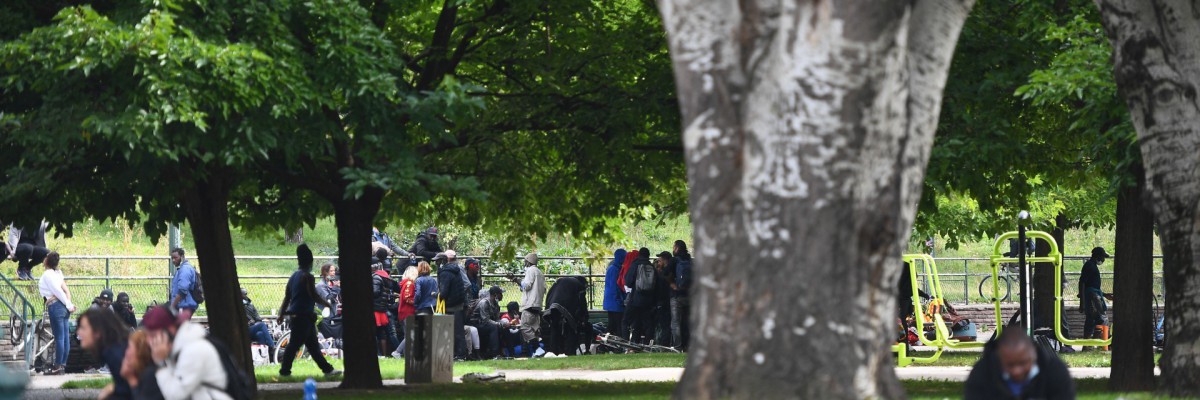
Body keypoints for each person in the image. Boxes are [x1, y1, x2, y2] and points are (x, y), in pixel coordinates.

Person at [277, 244, 341, 378]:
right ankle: (284, 372)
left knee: (312, 346)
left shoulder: (293, 276)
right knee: (294, 345)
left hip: (298, 316)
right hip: (303, 316)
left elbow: (287, 297)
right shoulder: (308, 277)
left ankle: (327, 370)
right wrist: (326, 304)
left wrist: (281, 314)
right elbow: (314, 295)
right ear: (310, 261)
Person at [143, 306, 231, 400]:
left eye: (153, 336)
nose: (149, 342)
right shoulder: (180, 349)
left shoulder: (193, 350)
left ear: (170, 330)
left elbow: (175, 395)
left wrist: (160, 364)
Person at [964, 327, 1074, 399]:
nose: (1016, 371)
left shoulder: (1054, 371)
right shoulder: (982, 373)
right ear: (999, 358)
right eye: (1009, 364)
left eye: (1023, 363)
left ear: (1033, 354)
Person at [78, 308, 132, 399]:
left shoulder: (114, 353)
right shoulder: (114, 348)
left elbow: (131, 390)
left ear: (97, 332)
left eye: (83, 328)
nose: (78, 332)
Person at [38, 251, 74, 375]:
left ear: (47, 261)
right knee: (64, 337)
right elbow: (65, 290)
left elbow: (58, 291)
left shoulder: (48, 274)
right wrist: (67, 302)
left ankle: (58, 365)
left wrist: (68, 304)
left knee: (60, 337)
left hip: (56, 307)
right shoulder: (58, 273)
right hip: (62, 306)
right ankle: (62, 365)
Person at [508, 252, 546, 357]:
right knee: (534, 330)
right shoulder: (540, 272)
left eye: (525, 261)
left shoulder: (530, 270)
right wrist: (518, 282)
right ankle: (536, 351)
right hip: (537, 305)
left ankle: (537, 348)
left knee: (524, 327)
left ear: (528, 261)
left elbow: (527, 286)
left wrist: (516, 280)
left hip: (529, 305)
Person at [542, 276, 591, 356]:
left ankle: (553, 352)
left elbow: (549, 294)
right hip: (565, 305)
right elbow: (582, 303)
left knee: (554, 328)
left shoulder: (561, 281)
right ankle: (570, 352)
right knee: (571, 329)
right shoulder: (579, 285)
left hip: (552, 305)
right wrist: (585, 317)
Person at [437, 250, 470, 360]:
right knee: (458, 331)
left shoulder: (445, 272)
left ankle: (459, 355)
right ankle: (459, 354)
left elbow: (444, 291)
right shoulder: (454, 270)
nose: (435, 263)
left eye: (437, 261)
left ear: (442, 261)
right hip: (458, 304)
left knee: (455, 332)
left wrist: (436, 295)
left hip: (451, 305)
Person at [371, 250, 401, 356]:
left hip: (377, 309)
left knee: (376, 333)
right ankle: (393, 353)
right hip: (385, 308)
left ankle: (379, 354)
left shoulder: (375, 277)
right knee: (386, 333)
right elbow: (398, 288)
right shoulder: (387, 278)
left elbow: (375, 292)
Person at [622, 248, 655, 345]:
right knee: (647, 324)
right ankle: (647, 344)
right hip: (648, 301)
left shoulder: (635, 264)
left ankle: (626, 344)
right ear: (648, 255)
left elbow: (628, 281)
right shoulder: (651, 266)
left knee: (626, 321)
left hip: (635, 299)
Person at [121, 330, 164, 400]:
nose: (126, 352)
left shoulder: (150, 375)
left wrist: (131, 380)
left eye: (129, 347)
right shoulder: (141, 372)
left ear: (140, 351)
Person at [1079, 247, 1110, 340]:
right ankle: (1092, 343)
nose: (1103, 260)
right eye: (1103, 257)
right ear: (1098, 256)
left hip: (1095, 295)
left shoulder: (1093, 265)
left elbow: (1092, 285)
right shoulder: (1089, 265)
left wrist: (1104, 295)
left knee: (1092, 320)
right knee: (1101, 319)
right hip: (1092, 296)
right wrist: (1082, 302)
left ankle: (1089, 344)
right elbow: (1082, 283)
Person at [242, 287, 276, 364]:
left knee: (260, 334)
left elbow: (257, 317)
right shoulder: (238, 306)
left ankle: (263, 359)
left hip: (252, 328)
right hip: (245, 329)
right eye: (244, 294)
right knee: (262, 325)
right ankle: (272, 345)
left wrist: (256, 321)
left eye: (246, 293)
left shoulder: (251, 305)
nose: (245, 295)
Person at [392, 266, 419, 358]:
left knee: (407, 334)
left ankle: (405, 354)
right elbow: (407, 298)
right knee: (411, 335)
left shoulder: (405, 283)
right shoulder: (410, 283)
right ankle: (397, 351)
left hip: (403, 312)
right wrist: (417, 302)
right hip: (408, 312)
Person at [473, 286, 506, 359]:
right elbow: (485, 320)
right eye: (500, 294)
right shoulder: (484, 303)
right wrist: (500, 324)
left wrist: (504, 324)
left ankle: (505, 352)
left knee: (503, 328)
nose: (502, 296)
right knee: (494, 327)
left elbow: (497, 319)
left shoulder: (496, 305)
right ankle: (495, 354)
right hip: (478, 324)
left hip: (487, 324)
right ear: (495, 295)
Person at [671, 240, 693, 350]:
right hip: (689, 295)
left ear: (677, 248)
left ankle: (677, 346)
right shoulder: (690, 260)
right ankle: (688, 345)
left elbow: (665, 273)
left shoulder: (674, 260)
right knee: (687, 322)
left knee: (676, 322)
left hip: (677, 295)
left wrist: (672, 284)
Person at [602, 249, 627, 337]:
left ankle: (604, 342)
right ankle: (618, 343)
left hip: (611, 301)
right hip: (615, 302)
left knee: (612, 324)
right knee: (618, 324)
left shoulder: (612, 267)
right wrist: (621, 299)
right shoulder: (615, 270)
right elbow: (615, 287)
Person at [168, 248, 199, 320]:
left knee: (181, 328)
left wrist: (172, 305)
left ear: (182, 257)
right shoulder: (182, 269)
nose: (173, 260)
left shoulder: (185, 270)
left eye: (176, 258)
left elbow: (182, 290)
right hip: (183, 305)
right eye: (172, 258)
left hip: (184, 305)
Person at [653, 252, 674, 347]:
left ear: (665, 260)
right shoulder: (669, 271)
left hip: (663, 302)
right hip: (667, 301)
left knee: (665, 324)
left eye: (659, 260)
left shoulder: (664, 273)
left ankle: (664, 344)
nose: (658, 262)